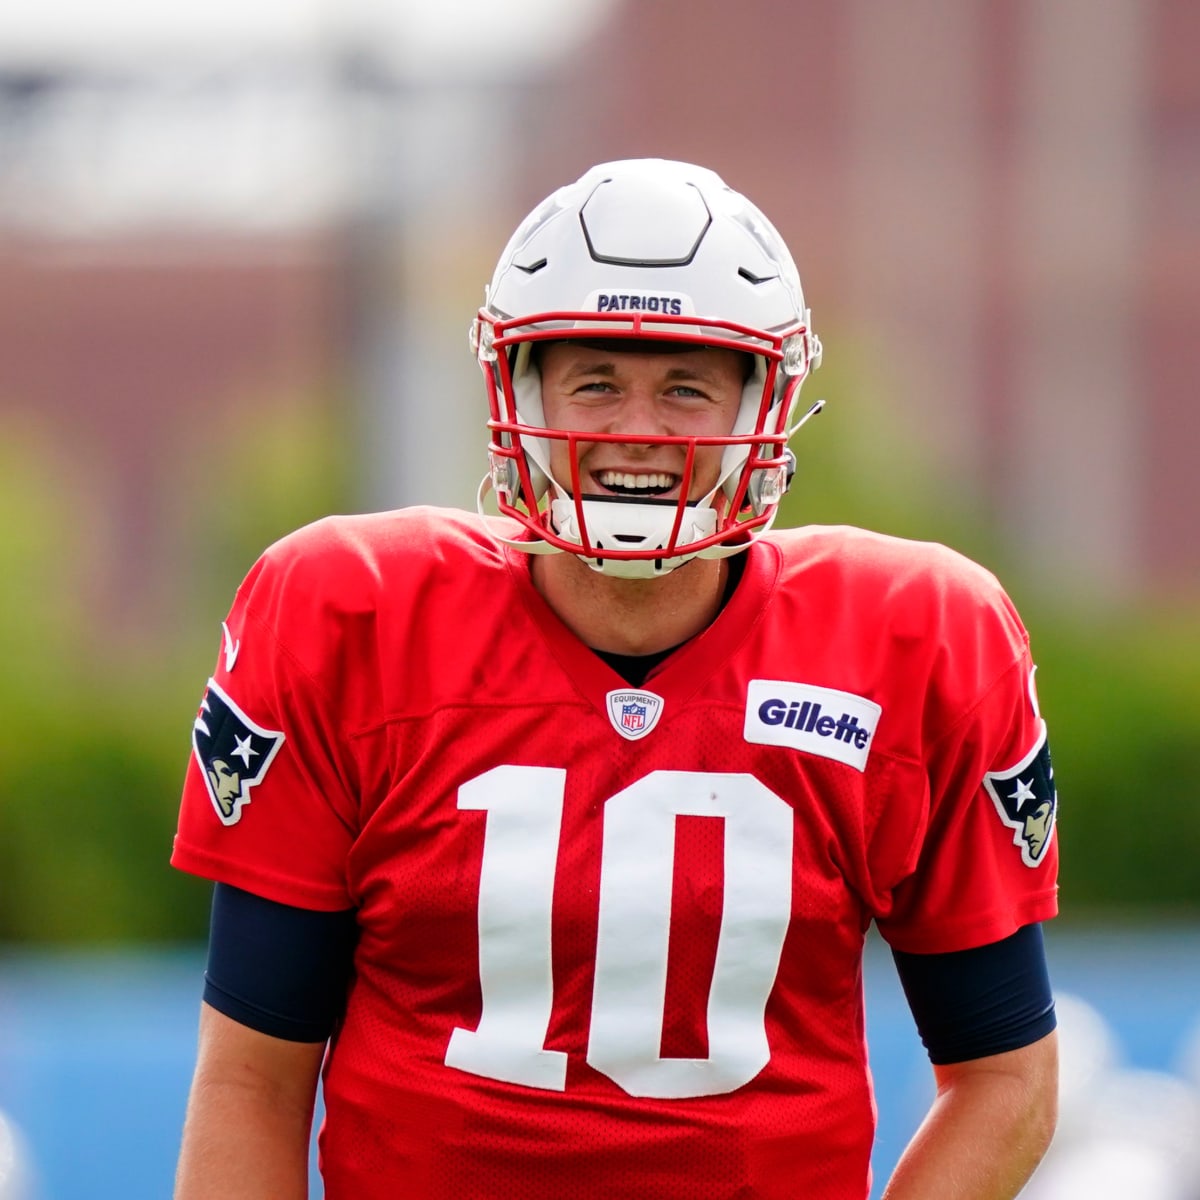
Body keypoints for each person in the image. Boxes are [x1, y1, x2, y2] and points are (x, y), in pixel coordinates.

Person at [171, 158, 1060, 1200]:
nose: (636, 429)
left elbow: (1006, 1078)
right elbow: (253, 1080)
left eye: (687, 385)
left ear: (764, 404)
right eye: (594, 380)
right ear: (519, 387)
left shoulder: (918, 638)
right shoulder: (348, 615)